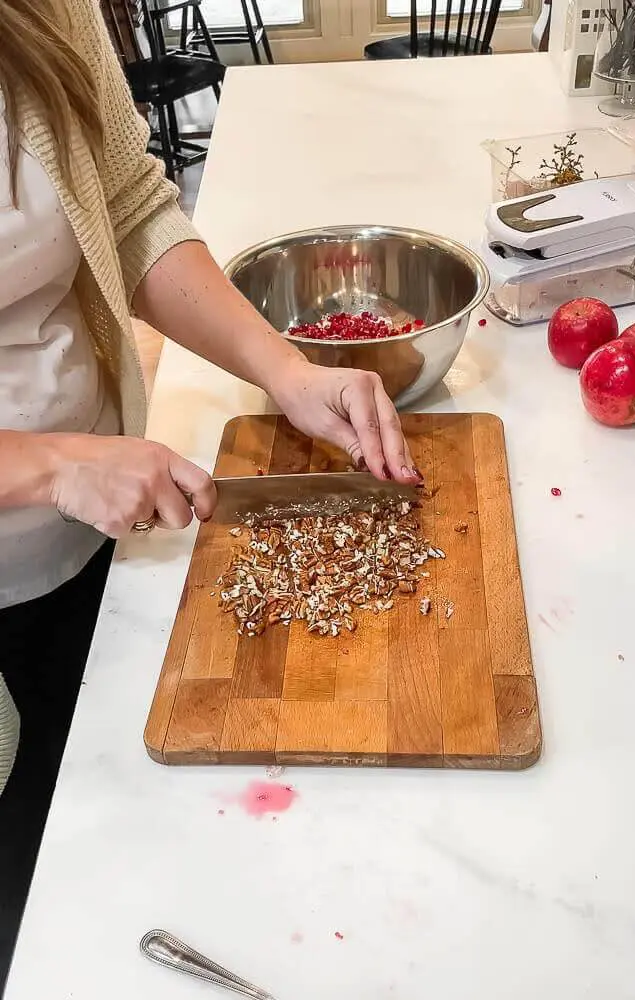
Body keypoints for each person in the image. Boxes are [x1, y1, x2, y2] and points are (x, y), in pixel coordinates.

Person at [0, 0, 419, 984]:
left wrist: (284, 371)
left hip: (97, 526)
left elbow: (129, 202)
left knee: (123, 828)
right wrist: (46, 465)